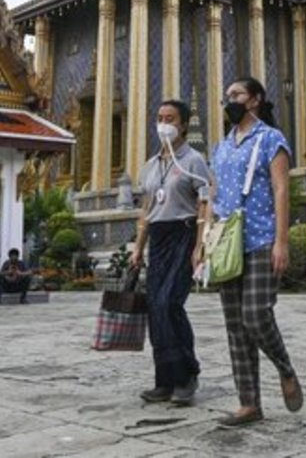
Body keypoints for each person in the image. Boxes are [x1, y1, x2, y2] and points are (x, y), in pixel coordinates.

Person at [206, 77, 302, 427]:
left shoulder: (271, 139)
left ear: (255, 100)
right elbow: (213, 196)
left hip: (261, 238)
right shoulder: (221, 147)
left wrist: (282, 241)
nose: (229, 100)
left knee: (256, 315)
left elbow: (280, 191)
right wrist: (205, 241)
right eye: (227, 95)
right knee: (235, 326)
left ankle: (285, 367)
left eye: (237, 95)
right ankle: (249, 403)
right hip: (227, 243)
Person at [131, 99, 212, 406]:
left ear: (182, 125)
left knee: (170, 303)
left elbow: (205, 202)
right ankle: (164, 380)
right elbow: (147, 208)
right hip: (159, 238)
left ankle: (187, 375)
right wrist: (138, 248)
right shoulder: (151, 166)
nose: (163, 122)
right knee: (155, 308)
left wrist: (199, 247)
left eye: (170, 118)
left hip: (183, 233)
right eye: (160, 116)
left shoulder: (193, 160)